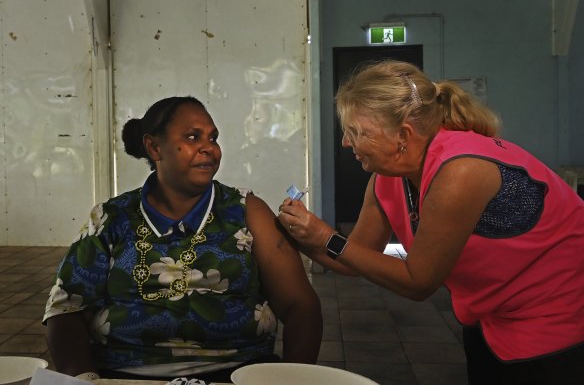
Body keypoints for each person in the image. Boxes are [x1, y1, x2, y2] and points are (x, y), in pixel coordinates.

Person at [277, 60, 584, 385]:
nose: (346, 143)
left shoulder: (461, 170)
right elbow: (355, 260)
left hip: (557, 318)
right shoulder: (390, 177)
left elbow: (418, 282)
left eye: (357, 133)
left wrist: (326, 237)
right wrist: (292, 235)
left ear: (402, 136)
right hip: (490, 318)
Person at [44, 96, 322, 383]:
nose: (209, 148)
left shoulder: (247, 212)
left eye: (213, 138)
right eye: (193, 137)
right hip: (126, 375)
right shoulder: (112, 218)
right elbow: (65, 310)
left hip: (238, 374)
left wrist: (292, 379)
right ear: (154, 147)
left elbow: (301, 307)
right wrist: (86, 379)